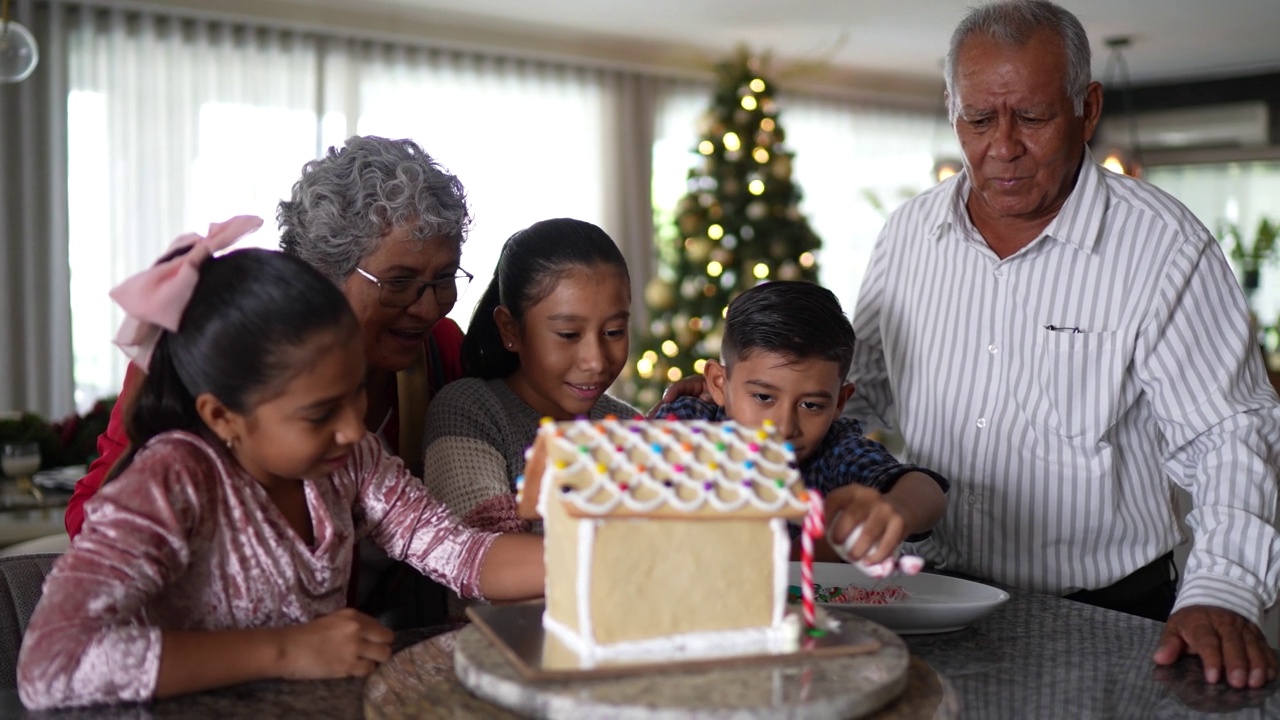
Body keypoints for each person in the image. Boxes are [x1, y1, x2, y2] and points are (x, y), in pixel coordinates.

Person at [846, 0, 1279, 689]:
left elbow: (1229, 433)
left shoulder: (1164, 247)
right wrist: (742, 411)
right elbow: (857, 396)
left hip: (1110, 615)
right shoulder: (906, 236)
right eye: (979, 120)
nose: (1003, 146)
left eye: (1034, 117)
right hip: (933, 603)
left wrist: (1222, 590)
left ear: (1088, 107)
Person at [17, 222, 543, 710]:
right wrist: (287, 651)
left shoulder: (348, 459)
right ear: (223, 416)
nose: (353, 428)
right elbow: (50, 662)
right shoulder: (176, 479)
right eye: (319, 413)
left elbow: (459, 551)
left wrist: (597, 558)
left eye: (356, 392)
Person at [65, 136, 472, 621]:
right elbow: (92, 522)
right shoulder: (212, 354)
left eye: (444, 277)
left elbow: (453, 543)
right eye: (399, 283)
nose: (428, 307)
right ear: (320, 276)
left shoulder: (441, 350)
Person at [652, 281, 948, 565]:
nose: (784, 426)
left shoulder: (834, 451)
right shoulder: (690, 421)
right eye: (764, 397)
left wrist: (896, 508)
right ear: (719, 383)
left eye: (811, 405)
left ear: (840, 403)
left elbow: (923, 488)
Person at [421, 218, 639, 534]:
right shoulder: (469, 412)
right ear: (510, 329)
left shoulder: (628, 427)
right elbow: (485, 562)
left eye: (614, 331)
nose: (595, 361)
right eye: (568, 334)